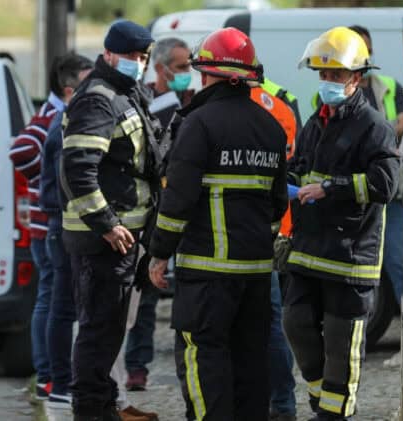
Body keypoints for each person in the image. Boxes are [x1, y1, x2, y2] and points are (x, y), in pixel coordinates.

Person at [148, 27, 288, 421]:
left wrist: (159, 254)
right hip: (256, 276)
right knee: (250, 365)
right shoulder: (271, 129)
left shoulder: (199, 124)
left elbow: (177, 203)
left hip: (207, 277)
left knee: (203, 361)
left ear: (210, 74)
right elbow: (277, 205)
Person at [283, 27, 399, 420]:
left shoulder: (374, 127)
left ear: (356, 77)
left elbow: (385, 184)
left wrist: (330, 188)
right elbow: (301, 169)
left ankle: (334, 415)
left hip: (351, 258)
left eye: (335, 75)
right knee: (295, 322)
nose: (327, 82)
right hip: (309, 249)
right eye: (323, 75)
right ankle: (322, 402)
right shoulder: (317, 122)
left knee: (339, 344)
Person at [60, 20, 161, 421]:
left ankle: (104, 410)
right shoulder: (99, 98)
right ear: (109, 54)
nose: (138, 63)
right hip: (102, 240)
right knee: (98, 335)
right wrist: (106, 223)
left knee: (108, 335)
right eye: (133, 56)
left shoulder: (123, 92)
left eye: (142, 57)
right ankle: (90, 412)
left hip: (121, 239)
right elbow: (78, 168)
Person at [124, 36, 195, 393]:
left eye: (190, 66)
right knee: (147, 292)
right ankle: (137, 367)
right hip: (156, 211)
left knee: (189, 294)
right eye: (181, 67)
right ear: (161, 67)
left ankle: (189, 364)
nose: (188, 74)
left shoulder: (196, 104)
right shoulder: (145, 101)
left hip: (191, 211)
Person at [8, 55, 70, 402]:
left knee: (50, 297)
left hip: (45, 220)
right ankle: (47, 373)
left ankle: (47, 372)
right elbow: (20, 149)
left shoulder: (53, 114)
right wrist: (45, 179)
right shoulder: (51, 117)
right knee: (50, 298)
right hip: (46, 222)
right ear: (68, 87)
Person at [38, 53, 94, 410]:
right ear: (71, 89)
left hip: (65, 222)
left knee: (67, 306)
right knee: (62, 307)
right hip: (64, 224)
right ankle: (59, 382)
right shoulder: (65, 123)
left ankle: (61, 379)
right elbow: (71, 178)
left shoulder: (70, 120)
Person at [347, 25, 403, 306]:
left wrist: (372, 137)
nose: (365, 54)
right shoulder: (339, 91)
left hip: (390, 194)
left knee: (397, 261)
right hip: (354, 196)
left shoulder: (389, 86)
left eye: (367, 49)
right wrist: (384, 133)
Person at [249, 80, 299, 421]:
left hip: (252, 232)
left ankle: (276, 404)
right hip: (280, 227)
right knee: (273, 323)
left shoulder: (233, 108)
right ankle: (282, 404)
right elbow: (289, 160)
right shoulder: (281, 104)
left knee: (262, 322)